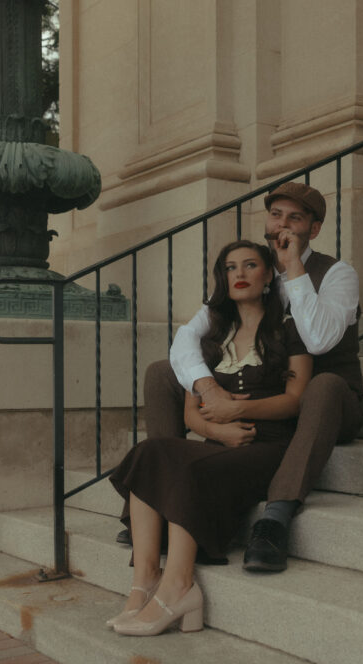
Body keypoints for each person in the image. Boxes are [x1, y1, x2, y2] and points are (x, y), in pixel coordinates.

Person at [135, 180, 363, 573]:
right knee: (161, 373)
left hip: (324, 400)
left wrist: (294, 268)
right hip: (268, 385)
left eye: (295, 218)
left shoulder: (337, 274)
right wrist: (208, 390)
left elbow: (321, 341)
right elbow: (188, 337)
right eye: (276, 215)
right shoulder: (250, 272)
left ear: (314, 227)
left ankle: (275, 517)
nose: (283, 225)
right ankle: (164, 496)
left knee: (322, 386)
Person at [107, 240, 312, 636]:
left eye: (250, 265)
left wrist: (239, 411)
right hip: (220, 443)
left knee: (187, 468)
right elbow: (191, 413)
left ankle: (181, 586)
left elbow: (296, 400)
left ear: (268, 274)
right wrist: (216, 429)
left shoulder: (289, 328)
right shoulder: (210, 338)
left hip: (267, 445)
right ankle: (144, 580)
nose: (239, 274)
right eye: (231, 268)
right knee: (148, 451)